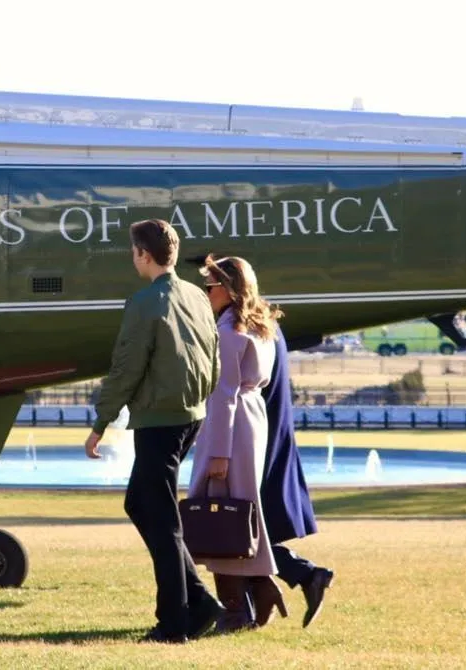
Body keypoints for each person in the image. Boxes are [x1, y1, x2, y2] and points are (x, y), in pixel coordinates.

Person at [84, 218, 223, 644]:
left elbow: (126, 368)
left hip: (160, 422)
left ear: (143, 254)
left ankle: (174, 622)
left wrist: (99, 424)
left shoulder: (144, 303)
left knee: (163, 521)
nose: (133, 257)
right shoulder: (197, 295)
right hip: (189, 416)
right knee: (140, 504)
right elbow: (213, 359)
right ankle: (199, 602)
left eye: (133, 251)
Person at [187, 255, 284, 634]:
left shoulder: (229, 330)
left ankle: (237, 609)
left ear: (226, 289)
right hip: (251, 417)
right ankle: (260, 588)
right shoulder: (262, 325)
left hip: (231, 423)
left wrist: (219, 453)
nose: (205, 293)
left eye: (209, 286)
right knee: (241, 511)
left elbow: (224, 392)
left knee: (219, 514)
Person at [248, 322, 335, 628]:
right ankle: (296, 580)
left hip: (253, 434)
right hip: (271, 428)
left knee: (235, 526)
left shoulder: (241, 327)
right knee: (247, 528)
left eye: (210, 286)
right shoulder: (268, 327)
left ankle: (303, 575)